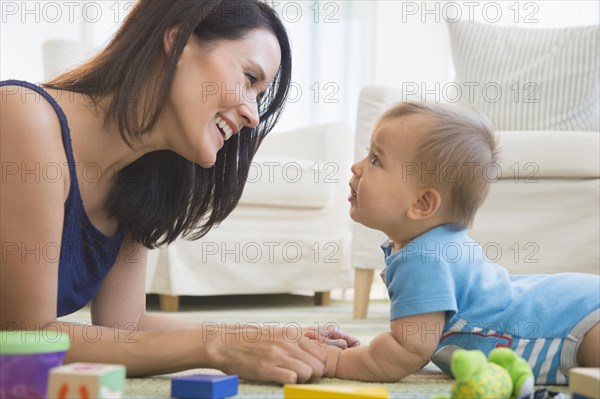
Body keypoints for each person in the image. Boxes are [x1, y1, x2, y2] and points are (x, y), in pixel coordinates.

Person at [0, 0, 356, 384]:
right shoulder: (22, 117)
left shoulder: (137, 178)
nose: (253, 115)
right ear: (179, 40)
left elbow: (127, 327)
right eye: (249, 77)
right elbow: (25, 339)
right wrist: (217, 347)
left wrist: (264, 337)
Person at [307, 101, 600, 385]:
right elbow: (416, 341)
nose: (357, 167)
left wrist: (334, 361)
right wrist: (362, 352)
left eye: (375, 160)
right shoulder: (431, 246)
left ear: (422, 203)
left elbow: (406, 350)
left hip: (576, 323)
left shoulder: (421, 257)